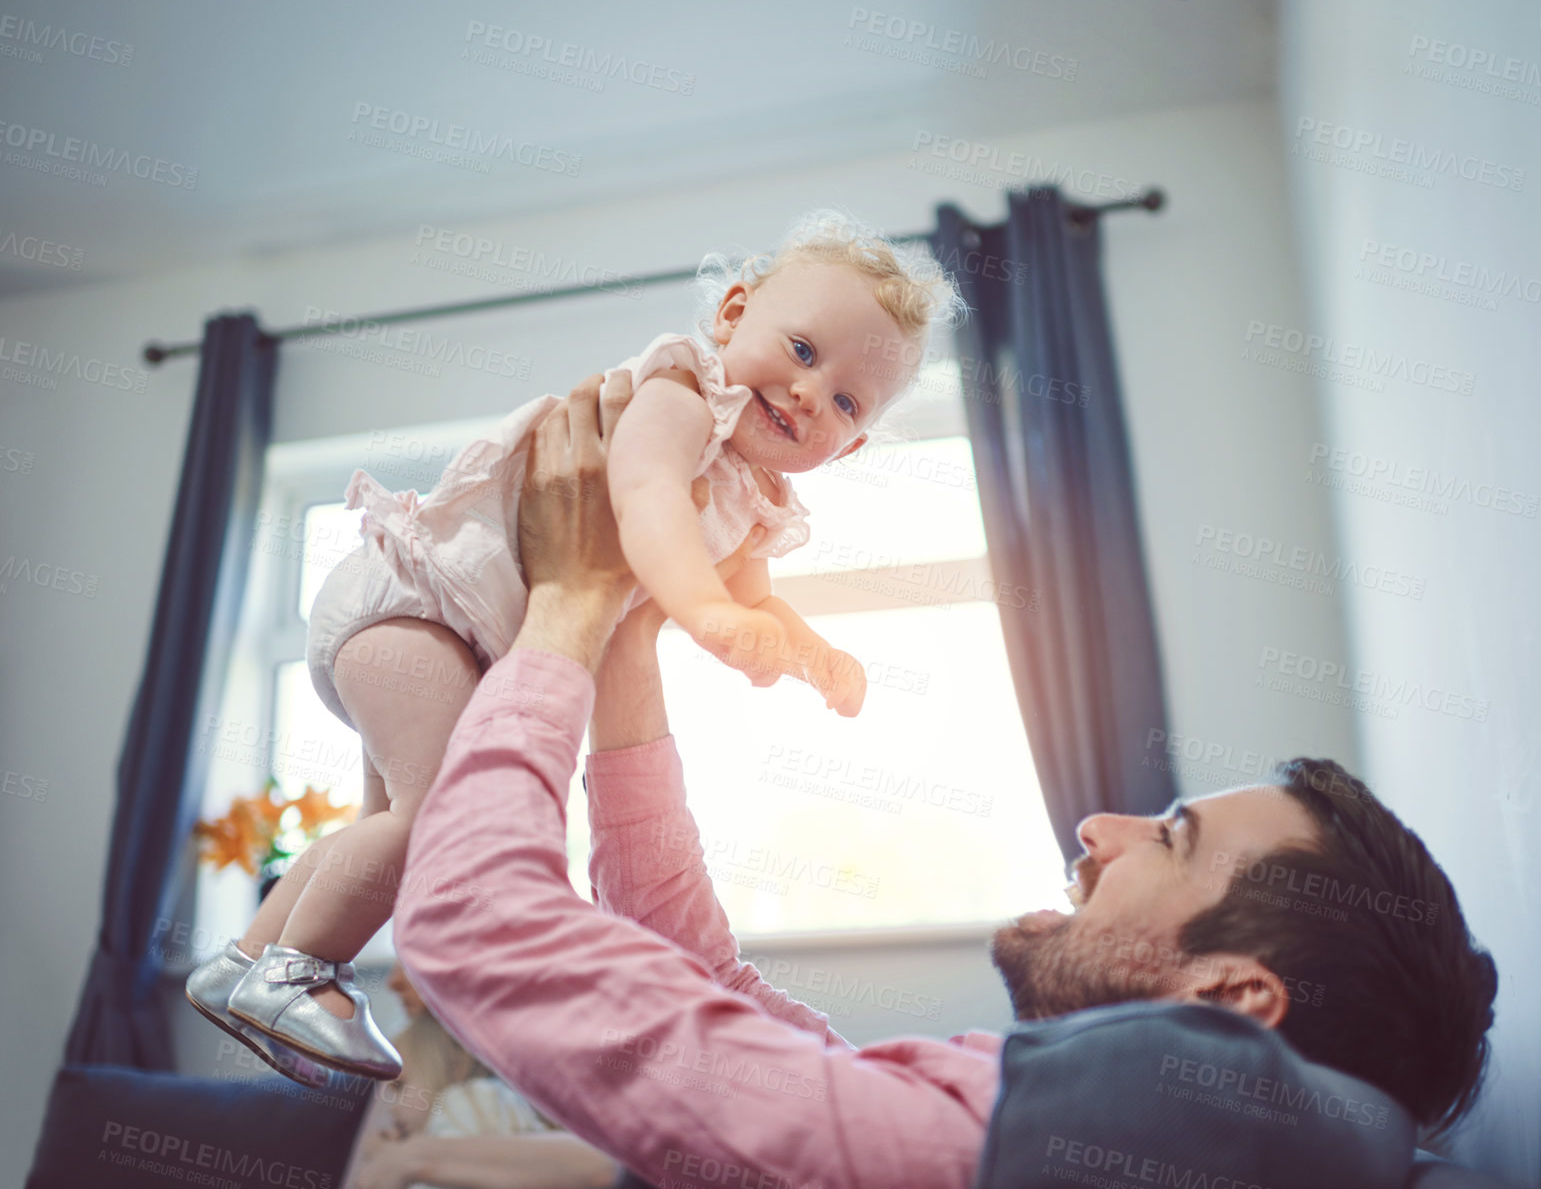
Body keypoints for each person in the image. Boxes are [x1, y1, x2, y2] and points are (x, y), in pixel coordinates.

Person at [390, 374, 1498, 1189]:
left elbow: (466, 920)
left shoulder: (1095, 1131)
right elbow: (720, 1000)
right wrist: (627, 655)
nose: (1098, 822)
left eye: (1167, 838)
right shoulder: (1081, 1129)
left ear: (1227, 998)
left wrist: (566, 608)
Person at [185, 209, 965, 1084]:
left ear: (851, 444)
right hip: (417, 606)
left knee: (386, 825)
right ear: (734, 313)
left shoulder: (757, 499)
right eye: (803, 351)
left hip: (453, 643)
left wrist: (805, 651)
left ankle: (243, 961)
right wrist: (708, 612)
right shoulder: (681, 396)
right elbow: (644, 499)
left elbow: (753, 602)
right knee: (437, 816)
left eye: (845, 403)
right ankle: (302, 971)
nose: (808, 395)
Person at [340, 962, 617, 1189]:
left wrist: (402, 1160)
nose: (392, 1107)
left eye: (400, 1086)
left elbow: (605, 1167)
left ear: (455, 1064)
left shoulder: (467, 1101)